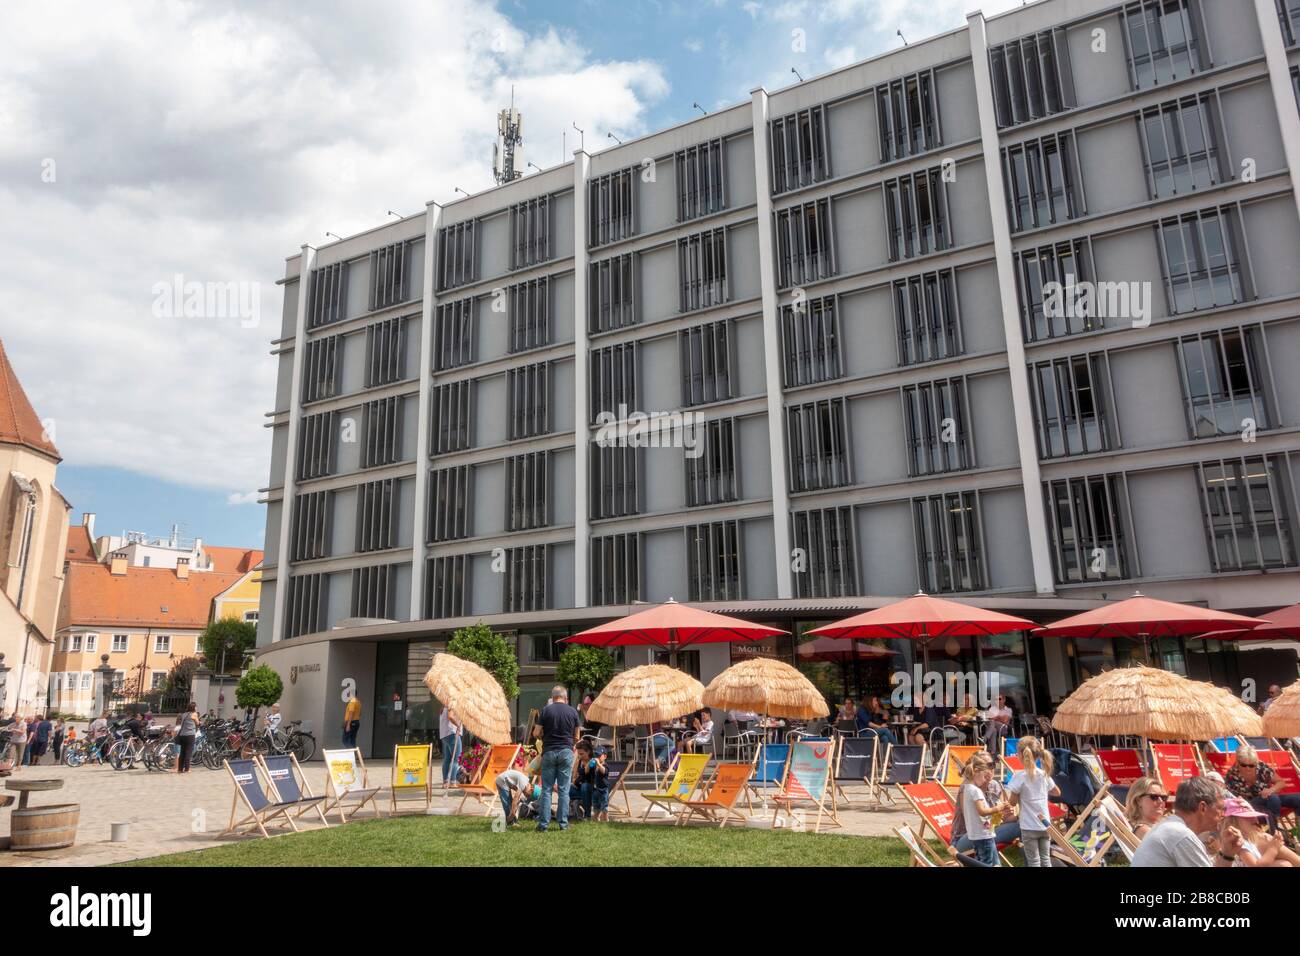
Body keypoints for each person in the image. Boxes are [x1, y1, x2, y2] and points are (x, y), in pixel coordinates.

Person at [1131, 777, 1243, 867]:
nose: (1223, 815)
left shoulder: (1169, 827)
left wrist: (1227, 854)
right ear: (1203, 808)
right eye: (1220, 809)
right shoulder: (1181, 836)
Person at [533, 685, 581, 832]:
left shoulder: (546, 710)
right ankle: (563, 824)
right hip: (566, 752)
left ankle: (543, 825)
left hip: (549, 751)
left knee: (546, 789)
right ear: (565, 697)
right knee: (563, 790)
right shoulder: (573, 711)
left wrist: (544, 737)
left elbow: (535, 733)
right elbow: (577, 736)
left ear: (553, 697)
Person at [1007, 736, 1060, 868]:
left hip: (1028, 825)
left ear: (1020, 755)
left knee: (1034, 862)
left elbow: (1012, 802)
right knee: (1046, 859)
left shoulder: (1019, 776)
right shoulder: (1043, 774)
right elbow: (1057, 792)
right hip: (1045, 824)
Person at [1225, 743, 1300, 836]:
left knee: (1297, 798)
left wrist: (1270, 790)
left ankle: (1298, 831)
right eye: (1243, 765)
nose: (1248, 768)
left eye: (1251, 765)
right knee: (1273, 799)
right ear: (1238, 762)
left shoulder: (1261, 767)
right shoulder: (1232, 775)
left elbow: (1281, 782)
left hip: (1269, 797)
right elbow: (1234, 799)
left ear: (1255, 763)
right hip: (1249, 804)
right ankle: (1274, 832)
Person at [952, 752, 1019, 855]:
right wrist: (998, 814)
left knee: (1025, 823)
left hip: (988, 832)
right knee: (1020, 827)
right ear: (976, 769)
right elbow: (972, 821)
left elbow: (1005, 819)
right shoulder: (967, 788)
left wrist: (1018, 816)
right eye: (986, 766)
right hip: (967, 837)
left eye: (992, 765)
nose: (990, 770)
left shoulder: (994, 785)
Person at [957, 751, 1004, 866]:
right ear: (976, 772)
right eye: (984, 774)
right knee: (986, 863)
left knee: (987, 861)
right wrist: (997, 808)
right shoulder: (975, 791)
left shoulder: (968, 788)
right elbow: (982, 812)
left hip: (980, 834)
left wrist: (1002, 811)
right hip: (982, 834)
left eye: (992, 766)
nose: (987, 777)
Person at [1222, 796, 1295, 867]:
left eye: (1254, 816)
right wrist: (1273, 848)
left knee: (1284, 864)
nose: (1255, 820)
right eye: (1249, 817)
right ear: (1233, 822)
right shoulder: (1238, 843)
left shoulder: (1247, 839)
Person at [572, 740, 610, 821]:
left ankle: (587, 815)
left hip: (593, 789)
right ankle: (572, 811)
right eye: (578, 754)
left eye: (581, 754)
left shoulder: (596, 763)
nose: (579, 756)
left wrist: (591, 765)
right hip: (581, 788)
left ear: (588, 752)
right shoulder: (580, 761)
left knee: (585, 786)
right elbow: (577, 776)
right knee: (565, 789)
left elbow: (584, 775)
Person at [439, 707, 462, 784]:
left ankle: (445, 781)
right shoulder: (452, 704)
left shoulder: (444, 707)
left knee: (447, 759)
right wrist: (458, 725)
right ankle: (452, 781)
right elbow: (450, 716)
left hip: (444, 735)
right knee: (456, 759)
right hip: (452, 733)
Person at [175, 701, 199, 773]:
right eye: (196, 706)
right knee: (188, 752)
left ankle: (180, 769)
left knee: (182, 752)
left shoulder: (184, 714)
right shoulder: (194, 714)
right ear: (194, 707)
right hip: (190, 735)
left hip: (182, 735)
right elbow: (197, 722)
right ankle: (187, 769)